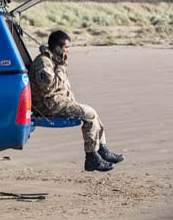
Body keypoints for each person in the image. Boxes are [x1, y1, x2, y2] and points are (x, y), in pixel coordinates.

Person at [29, 30, 125, 172]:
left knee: (93, 113)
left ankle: (101, 149)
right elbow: (49, 86)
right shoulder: (44, 62)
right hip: (48, 105)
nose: (68, 51)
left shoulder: (52, 59)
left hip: (57, 101)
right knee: (89, 114)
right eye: (66, 47)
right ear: (57, 48)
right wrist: (61, 66)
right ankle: (91, 157)